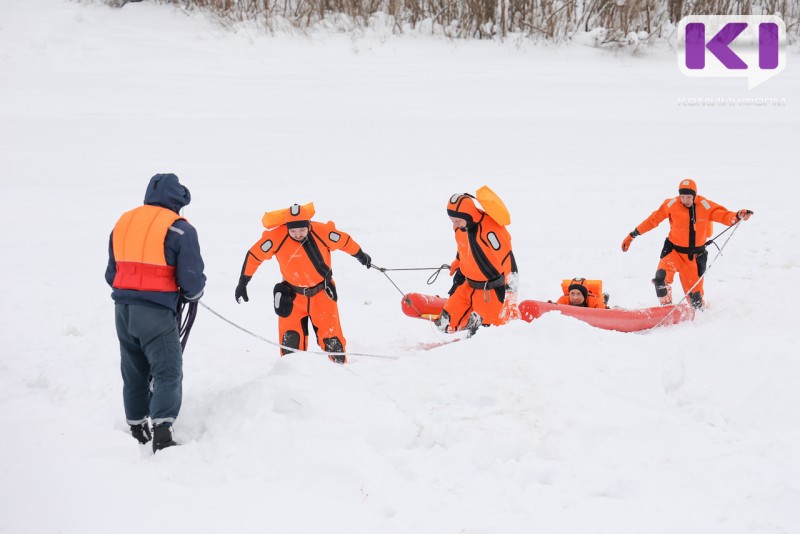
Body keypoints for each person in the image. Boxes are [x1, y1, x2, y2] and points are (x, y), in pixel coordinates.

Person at [105, 173, 206, 453]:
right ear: (178, 199)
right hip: (156, 313)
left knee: (134, 368)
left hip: (123, 311)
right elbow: (191, 279)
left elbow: (111, 273)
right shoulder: (180, 229)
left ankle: (137, 426)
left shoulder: (123, 223)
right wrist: (192, 295)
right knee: (167, 370)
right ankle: (163, 432)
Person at [235, 203, 372, 364]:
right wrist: (243, 282)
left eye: (302, 230)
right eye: (293, 231)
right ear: (287, 227)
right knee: (290, 343)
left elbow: (345, 242)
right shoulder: (276, 237)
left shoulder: (322, 232)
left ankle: (340, 372)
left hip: (322, 294)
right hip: (292, 296)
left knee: (332, 340)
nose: (298, 234)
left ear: (309, 226)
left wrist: (361, 256)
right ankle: (292, 373)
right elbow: (254, 255)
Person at [621, 178, 752, 309]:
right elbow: (653, 220)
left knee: (696, 301)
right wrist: (633, 234)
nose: (685, 200)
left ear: (695, 195)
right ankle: (666, 308)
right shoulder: (671, 204)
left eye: (689, 197)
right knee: (660, 279)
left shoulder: (705, 205)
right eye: (682, 197)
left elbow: (723, 215)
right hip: (674, 252)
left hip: (694, 258)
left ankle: (699, 313)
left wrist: (738, 215)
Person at [436, 193, 520, 335]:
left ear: (468, 215)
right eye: (452, 221)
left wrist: (511, 296)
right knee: (444, 325)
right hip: (467, 287)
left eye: (457, 220)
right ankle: (473, 320)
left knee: (492, 334)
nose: (455, 224)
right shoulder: (459, 227)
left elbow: (509, 263)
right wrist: (458, 260)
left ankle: (481, 321)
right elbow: (463, 245)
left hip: (490, 292)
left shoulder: (491, 231)